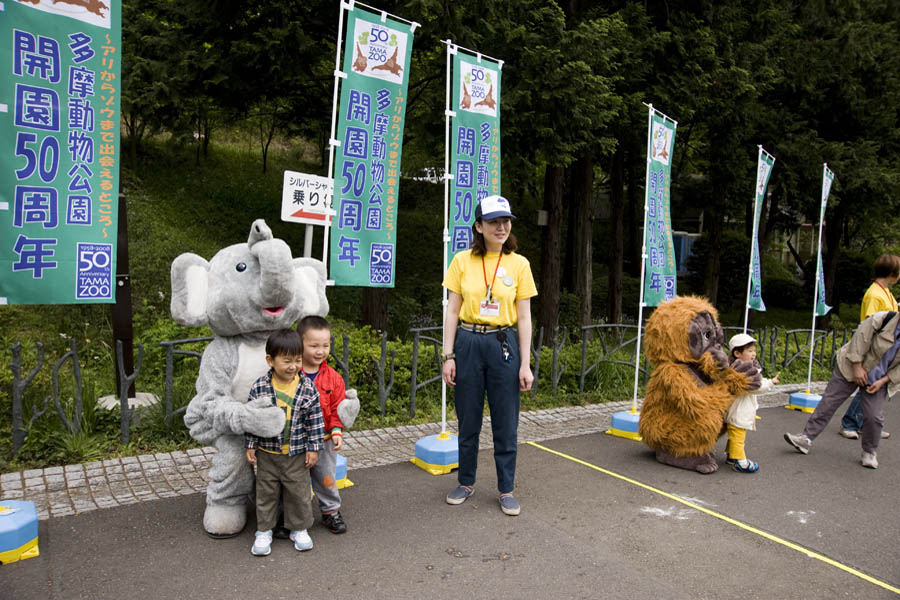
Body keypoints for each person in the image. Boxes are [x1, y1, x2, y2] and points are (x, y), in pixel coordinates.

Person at [441, 195, 538, 516]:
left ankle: (506, 488)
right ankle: (466, 481)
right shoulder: (461, 261)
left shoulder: (519, 264)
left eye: (506, 221)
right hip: (468, 341)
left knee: (506, 421)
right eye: (494, 222)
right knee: (468, 418)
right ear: (479, 226)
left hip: (503, 344)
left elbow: (524, 317)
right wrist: (448, 355)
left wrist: (525, 363)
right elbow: (452, 309)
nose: (501, 227)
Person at [785, 310, 900, 469]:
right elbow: (859, 341)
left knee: (874, 417)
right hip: (851, 365)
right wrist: (857, 366)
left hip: (879, 378)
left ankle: (869, 451)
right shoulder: (882, 319)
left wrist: (884, 381)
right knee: (829, 401)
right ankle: (806, 438)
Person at [245, 328, 324, 556]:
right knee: (266, 492)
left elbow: (315, 421)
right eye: (287, 360)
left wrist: (313, 448)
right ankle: (264, 530)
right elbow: (253, 419)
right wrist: (250, 444)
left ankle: (299, 528)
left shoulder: (307, 388)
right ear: (270, 360)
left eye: (297, 360)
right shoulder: (260, 387)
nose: (293, 366)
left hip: (297, 453)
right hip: (266, 452)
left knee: (298, 492)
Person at [837, 254, 900, 440]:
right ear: (892, 273)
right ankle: (850, 422)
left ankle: (867, 424)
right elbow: (871, 324)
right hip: (874, 350)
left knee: (874, 387)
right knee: (869, 385)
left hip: (885, 349)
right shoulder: (875, 294)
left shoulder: (885, 291)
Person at [297, 315, 349, 535]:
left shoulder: (334, 378)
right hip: (296, 440)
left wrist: (337, 430)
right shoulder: (290, 375)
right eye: (314, 345)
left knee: (326, 477)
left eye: (325, 345)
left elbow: (339, 406)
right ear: (300, 344)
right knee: (294, 479)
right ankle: (291, 514)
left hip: (324, 439)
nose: (320, 351)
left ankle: (330, 511)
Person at [725, 333, 779, 473]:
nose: (753, 354)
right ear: (737, 353)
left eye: (754, 350)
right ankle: (740, 462)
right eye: (749, 351)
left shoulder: (739, 366)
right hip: (739, 411)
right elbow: (755, 387)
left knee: (735, 434)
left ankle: (732, 456)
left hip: (738, 409)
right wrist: (770, 383)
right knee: (738, 436)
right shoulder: (741, 371)